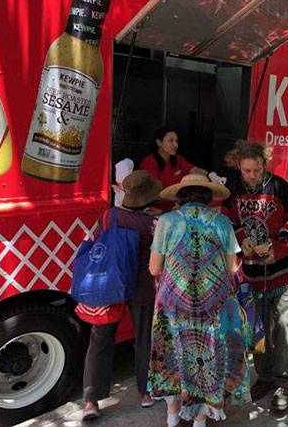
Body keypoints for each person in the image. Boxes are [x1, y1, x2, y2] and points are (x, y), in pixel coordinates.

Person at [148, 174, 250, 427]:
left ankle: (172, 414)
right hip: (211, 304)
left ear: (181, 196)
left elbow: (153, 268)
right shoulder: (222, 221)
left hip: (173, 302)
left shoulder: (167, 221)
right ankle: (201, 418)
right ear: (208, 196)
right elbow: (232, 269)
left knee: (171, 353)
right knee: (208, 354)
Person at [222, 140, 288, 412]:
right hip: (251, 273)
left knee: (286, 327)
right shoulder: (231, 190)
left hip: (284, 270)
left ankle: (283, 382)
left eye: (257, 169)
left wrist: (276, 247)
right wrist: (240, 241)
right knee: (257, 329)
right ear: (238, 167)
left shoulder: (280, 187)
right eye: (247, 170)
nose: (252, 175)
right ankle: (264, 376)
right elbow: (227, 222)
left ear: (264, 165)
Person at [82, 170, 161, 421]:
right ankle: (145, 392)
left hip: (110, 285)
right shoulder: (150, 224)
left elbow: (95, 242)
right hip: (142, 287)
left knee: (100, 341)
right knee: (143, 340)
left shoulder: (109, 215)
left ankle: (91, 402)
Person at [140, 128, 207, 210]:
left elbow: (195, 170)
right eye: (171, 141)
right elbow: (151, 193)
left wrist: (211, 175)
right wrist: (179, 200)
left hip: (179, 205)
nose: (175, 145)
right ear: (159, 142)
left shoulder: (178, 159)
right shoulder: (150, 162)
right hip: (157, 209)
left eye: (176, 141)